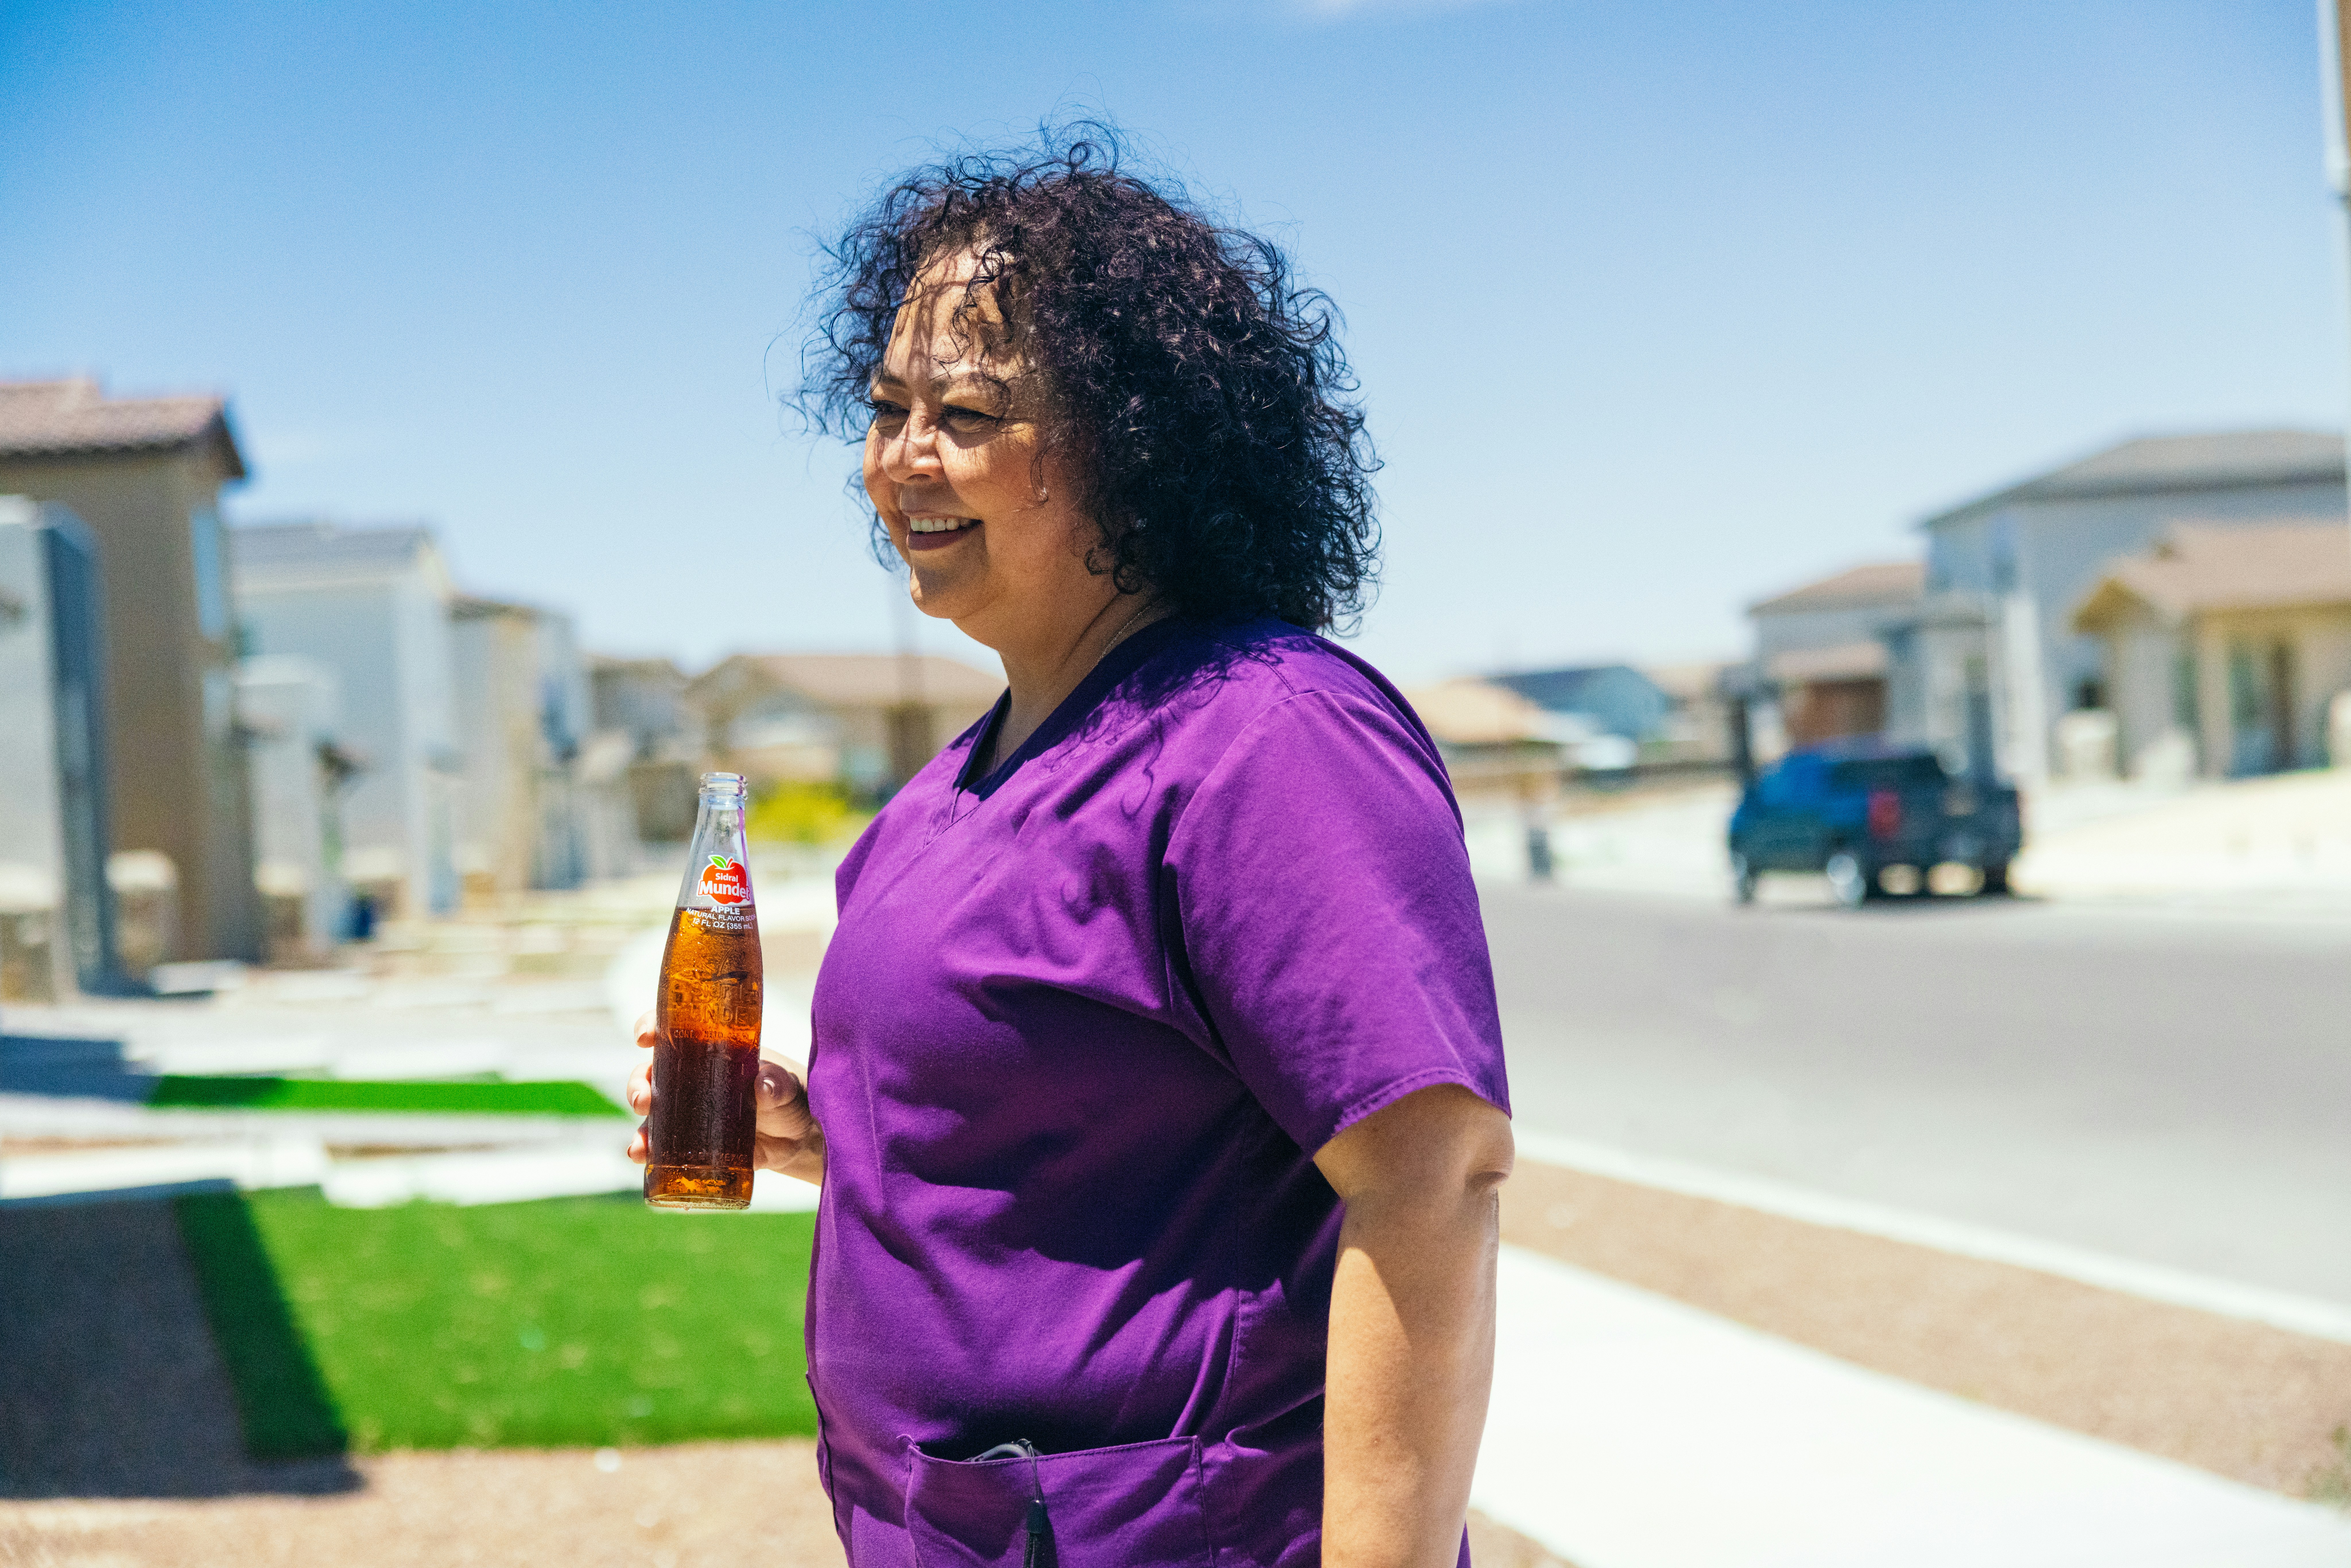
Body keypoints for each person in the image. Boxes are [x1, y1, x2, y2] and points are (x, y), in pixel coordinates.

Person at [629, 130, 1512, 1568]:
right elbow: (1068, 1145)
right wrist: (830, 1145)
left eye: (969, 413)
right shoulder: (935, 801)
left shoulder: (1260, 738)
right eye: (885, 404)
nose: (905, 459)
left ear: (1133, 440)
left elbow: (1432, 1177)